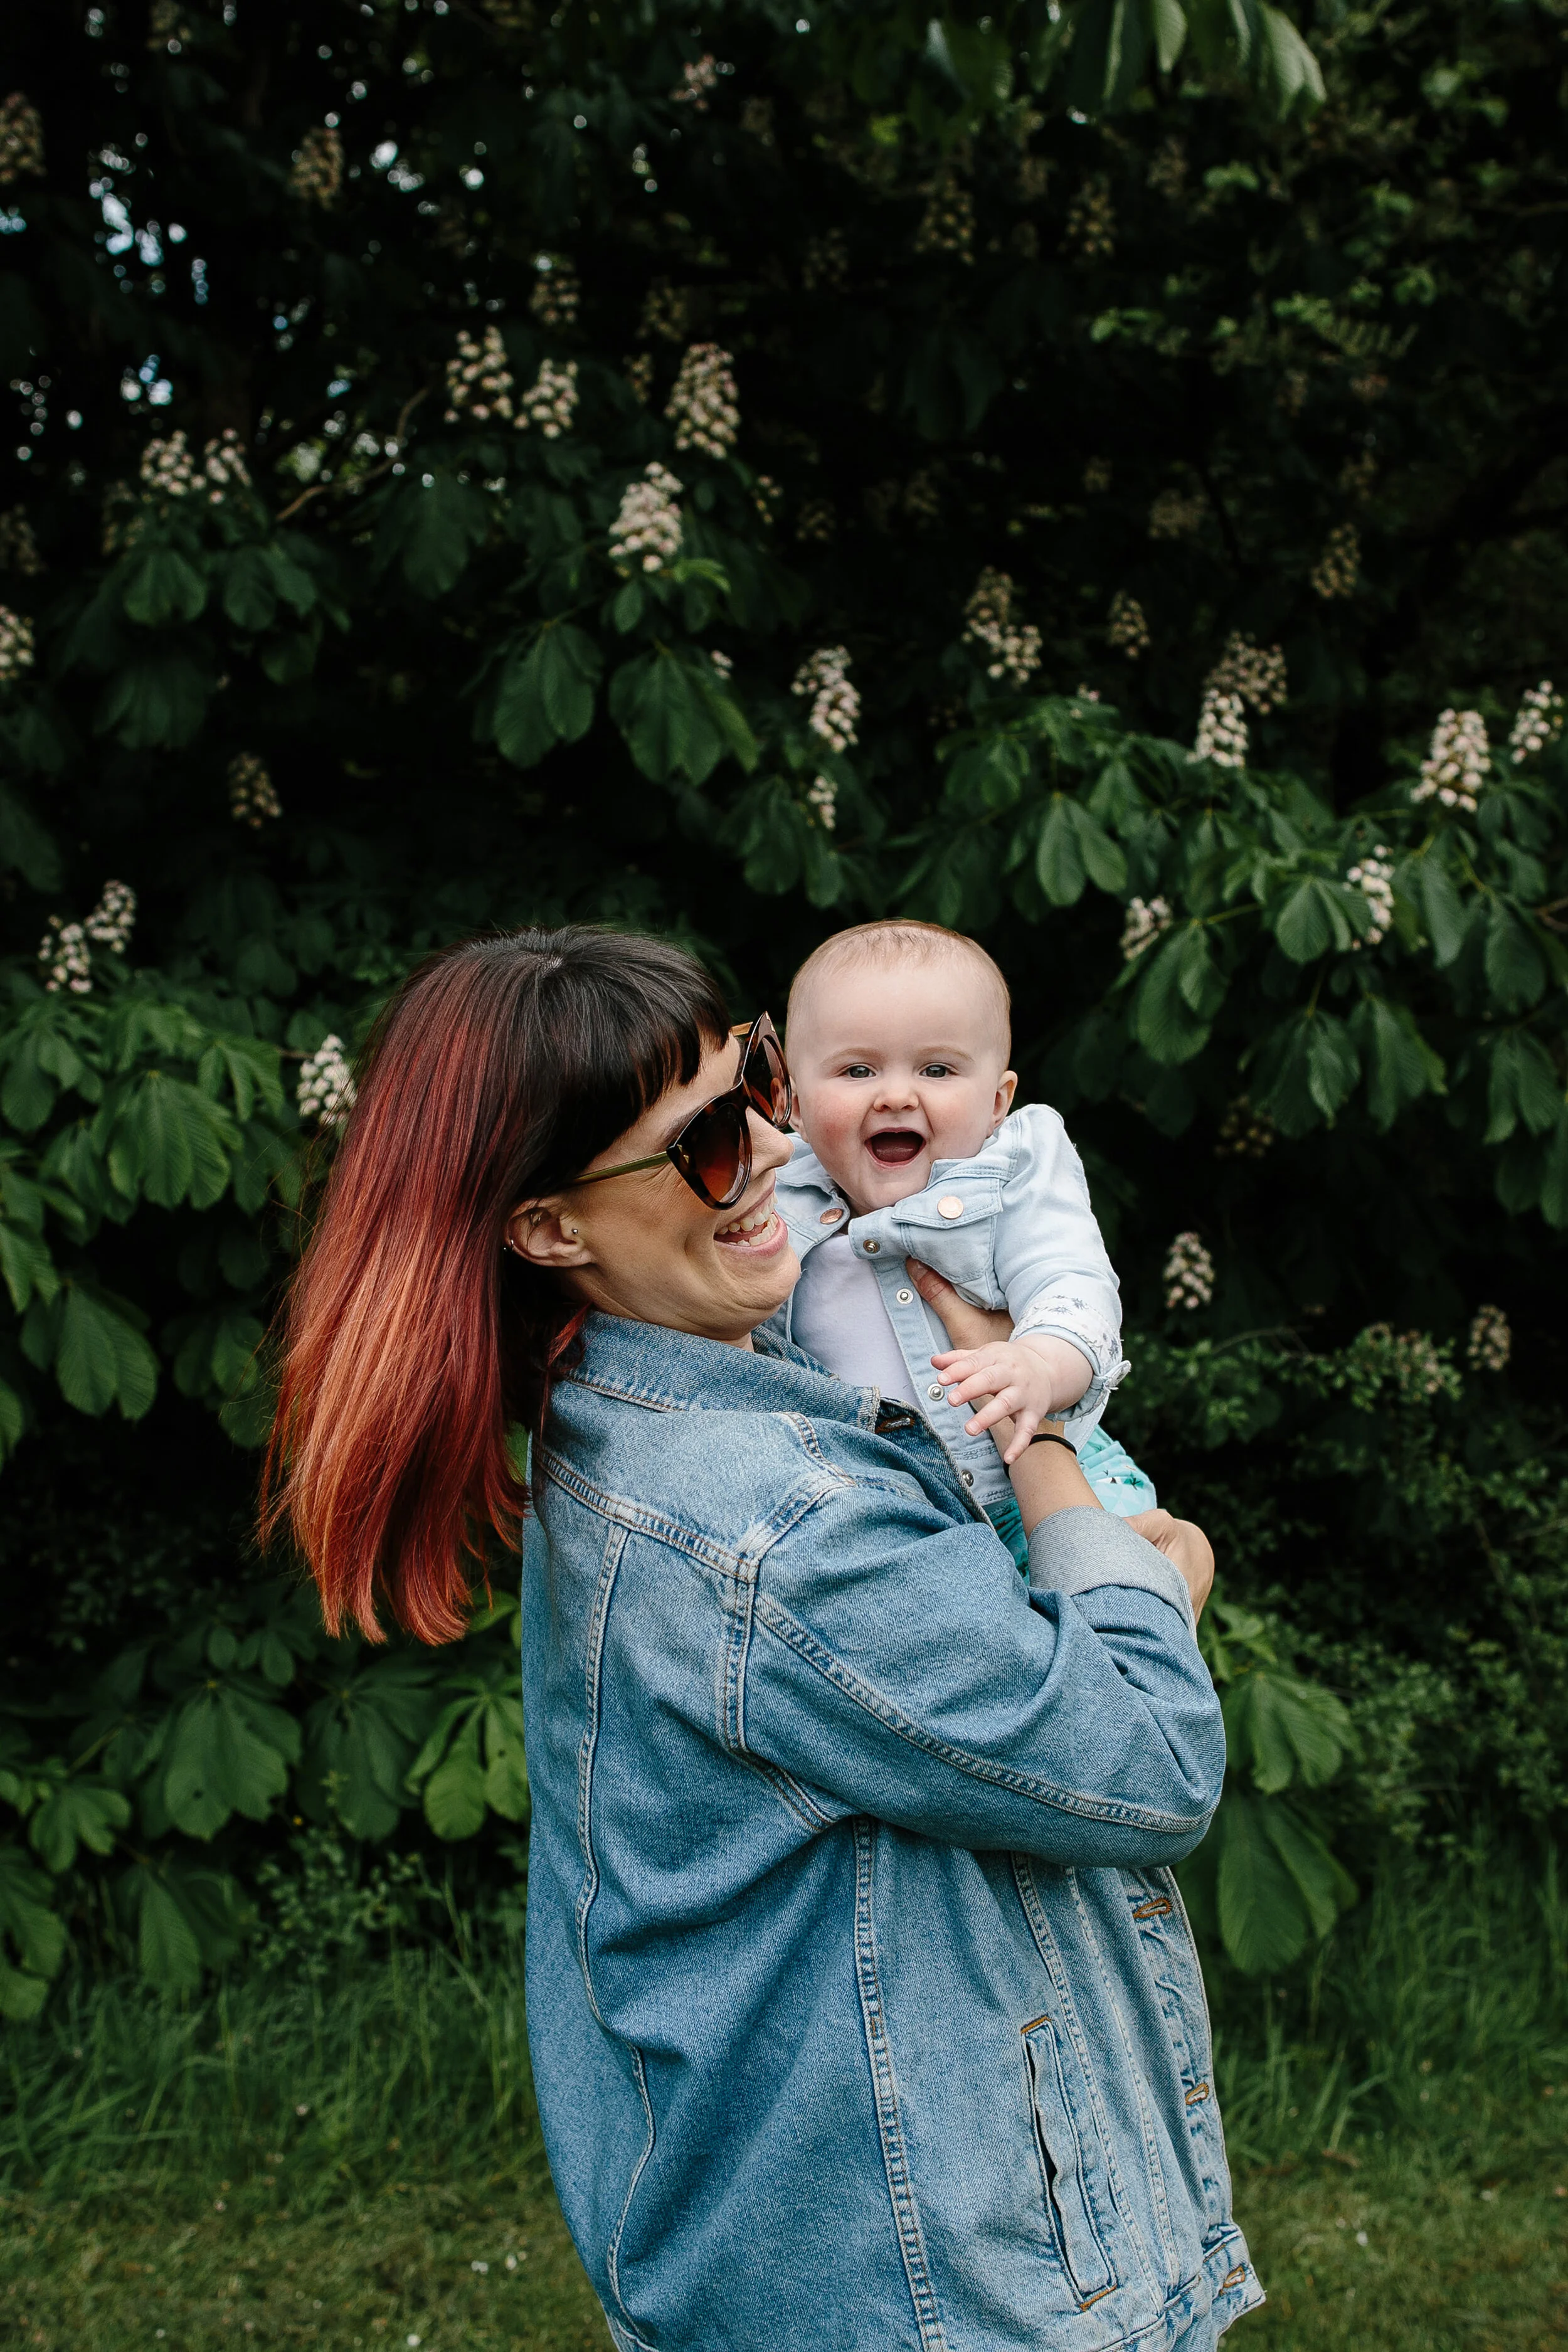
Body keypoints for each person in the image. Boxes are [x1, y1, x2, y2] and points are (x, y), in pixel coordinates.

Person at [265, 924, 1263, 2352]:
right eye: (705, 1148)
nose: (780, 1152)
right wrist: (1084, 1500)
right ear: (551, 1230)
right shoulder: (769, 1530)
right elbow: (1147, 1753)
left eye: (762, 1084)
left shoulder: (639, 1401)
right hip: (937, 2290)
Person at [779, 917, 1155, 1567]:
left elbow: (1072, 1284)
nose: (896, 1094)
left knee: (1116, 1607)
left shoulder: (1012, 1170)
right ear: (791, 1101)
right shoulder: (773, 1185)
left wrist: (1038, 1363)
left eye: (937, 1068)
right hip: (890, 1520)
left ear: (996, 1101)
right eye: (857, 1069)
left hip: (1043, 1479)